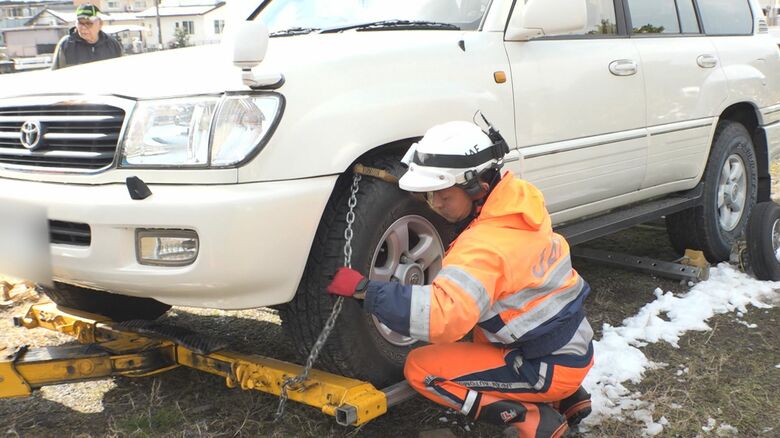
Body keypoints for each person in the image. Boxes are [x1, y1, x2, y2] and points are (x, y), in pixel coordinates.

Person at [327, 120, 594, 437]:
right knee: (478, 329)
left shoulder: (484, 246)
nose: (435, 205)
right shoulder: (518, 202)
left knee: (421, 368)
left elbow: (442, 318)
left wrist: (367, 291)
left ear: (477, 188)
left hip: (545, 367)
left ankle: (530, 418)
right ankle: (567, 396)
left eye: (443, 196)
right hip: (573, 348)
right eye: (430, 195)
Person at [51, 4, 122, 70]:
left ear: (100, 24)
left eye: (88, 23)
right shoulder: (66, 45)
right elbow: (55, 75)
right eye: (80, 23)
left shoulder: (112, 44)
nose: (83, 28)